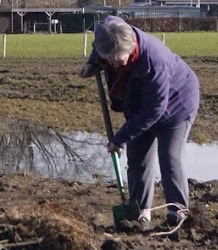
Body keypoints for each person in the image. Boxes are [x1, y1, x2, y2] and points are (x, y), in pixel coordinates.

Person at [81, 15, 199, 231]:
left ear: (132, 45)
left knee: (169, 158)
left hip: (177, 103)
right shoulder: (108, 33)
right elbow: (99, 48)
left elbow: (154, 110)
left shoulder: (154, 61)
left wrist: (120, 138)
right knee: (137, 159)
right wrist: (93, 62)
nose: (116, 64)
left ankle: (178, 213)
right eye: (111, 60)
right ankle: (139, 212)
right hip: (139, 104)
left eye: (120, 60)